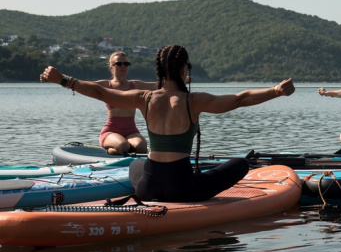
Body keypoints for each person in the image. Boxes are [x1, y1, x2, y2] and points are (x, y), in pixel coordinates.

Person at [40, 44, 295, 202]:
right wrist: (276, 91)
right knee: (240, 163)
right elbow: (240, 99)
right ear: (185, 68)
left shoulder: (144, 97)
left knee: (139, 163)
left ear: (159, 70)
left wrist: (64, 80)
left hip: (148, 187)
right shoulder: (194, 100)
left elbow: (101, 93)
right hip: (182, 188)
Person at [93, 51, 158, 155]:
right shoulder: (106, 85)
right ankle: (111, 149)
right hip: (111, 131)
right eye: (118, 64)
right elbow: (83, 85)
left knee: (141, 147)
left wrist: (180, 81)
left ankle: (126, 150)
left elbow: (158, 86)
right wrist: (64, 80)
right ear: (111, 67)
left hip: (131, 131)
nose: (123, 66)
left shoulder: (135, 85)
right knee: (123, 146)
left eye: (126, 64)